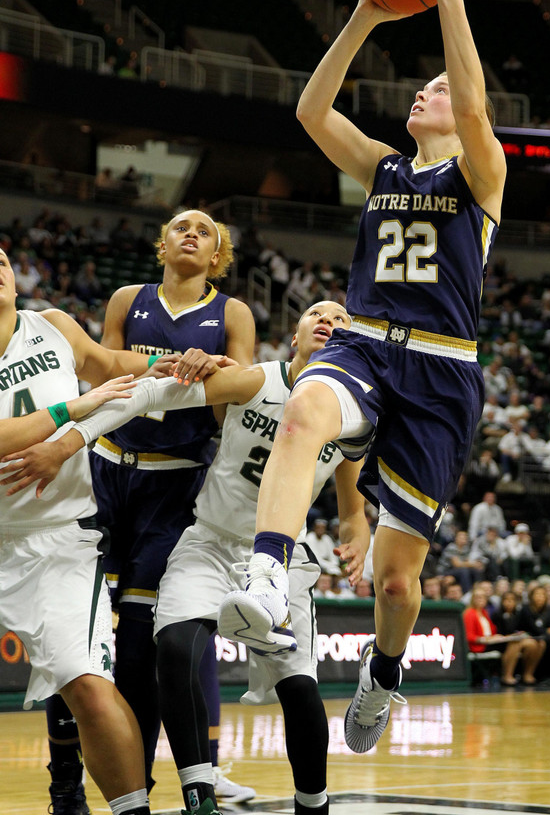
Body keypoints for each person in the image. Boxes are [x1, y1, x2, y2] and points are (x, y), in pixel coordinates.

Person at [217, 0, 506, 753]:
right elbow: (310, 109)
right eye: (420, 88)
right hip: (366, 343)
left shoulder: (479, 173)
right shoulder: (383, 166)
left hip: (442, 374)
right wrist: (366, 18)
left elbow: (476, 100)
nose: (425, 93)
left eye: (437, 90)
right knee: (306, 410)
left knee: (394, 580)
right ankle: (268, 575)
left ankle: (384, 670)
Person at [2, 301, 369, 815]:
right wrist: (75, 438)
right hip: (209, 541)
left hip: (278, 560)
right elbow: (151, 391)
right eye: (316, 313)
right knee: (172, 649)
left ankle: (314, 805)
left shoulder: (350, 417)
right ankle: (199, 794)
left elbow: (353, 509)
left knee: (299, 691)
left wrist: (359, 537)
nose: (328, 319)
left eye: (342, 318)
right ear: (294, 336)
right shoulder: (253, 380)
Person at [44, 209, 256, 808]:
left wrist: (216, 367)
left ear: (218, 255)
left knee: (140, 648)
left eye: (206, 231)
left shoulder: (231, 313)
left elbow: (238, 403)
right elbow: (102, 381)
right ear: (162, 244)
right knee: (72, 635)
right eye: (180, 226)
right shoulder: (125, 299)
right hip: (105, 475)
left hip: (173, 489)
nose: (191, 233)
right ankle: (65, 788)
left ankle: (136, 789)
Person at [0, 246, 158, 815]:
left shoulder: (53, 326)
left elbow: (113, 367)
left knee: (86, 683)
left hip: (55, 538)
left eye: (0, 258)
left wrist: (173, 362)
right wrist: (72, 411)